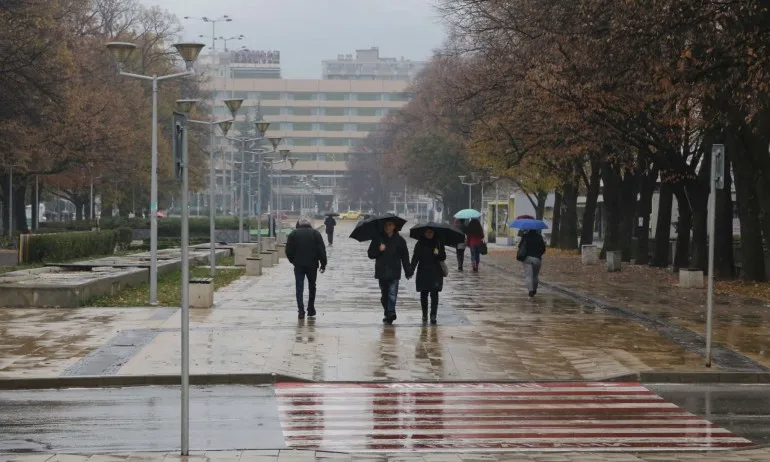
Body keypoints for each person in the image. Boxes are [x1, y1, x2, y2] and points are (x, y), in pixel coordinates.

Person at [367, 220, 412, 325]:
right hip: (382, 271)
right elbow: (370, 254)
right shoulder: (378, 238)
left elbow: (405, 257)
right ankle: (388, 313)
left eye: (390, 225)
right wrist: (379, 250)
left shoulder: (400, 240)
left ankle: (391, 312)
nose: (387, 227)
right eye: (386, 225)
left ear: (394, 226)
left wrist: (408, 271)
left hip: (394, 271)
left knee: (392, 293)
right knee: (384, 295)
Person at [285, 217, 327, 319]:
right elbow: (321, 250)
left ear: (299, 224)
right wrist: (323, 264)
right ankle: (311, 309)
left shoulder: (294, 234)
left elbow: (288, 250)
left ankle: (301, 311)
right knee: (312, 286)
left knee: (299, 287)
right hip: (312, 265)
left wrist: (293, 261)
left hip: (298, 265)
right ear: (309, 224)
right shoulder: (315, 233)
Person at [410, 228, 446, 324]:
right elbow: (415, 258)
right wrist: (411, 270)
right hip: (423, 272)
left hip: (435, 272)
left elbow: (443, 256)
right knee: (424, 293)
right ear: (424, 233)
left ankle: (433, 315)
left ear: (434, 233)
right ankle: (425, 314)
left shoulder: (438, 243)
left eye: (431, 232)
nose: (429, 234)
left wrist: (438, 254)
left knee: (434, 294)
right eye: (427, 232)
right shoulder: (419, 244)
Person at [518, 229, 546, 297]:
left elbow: (520, 246)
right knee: (535, 275)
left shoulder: (525, 236)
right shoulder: (539, 237)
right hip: (537, 259)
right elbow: (543, 249)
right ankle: (534, 289)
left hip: (527, 258)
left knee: (529, 275)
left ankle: (530, 290)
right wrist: (539, 254)